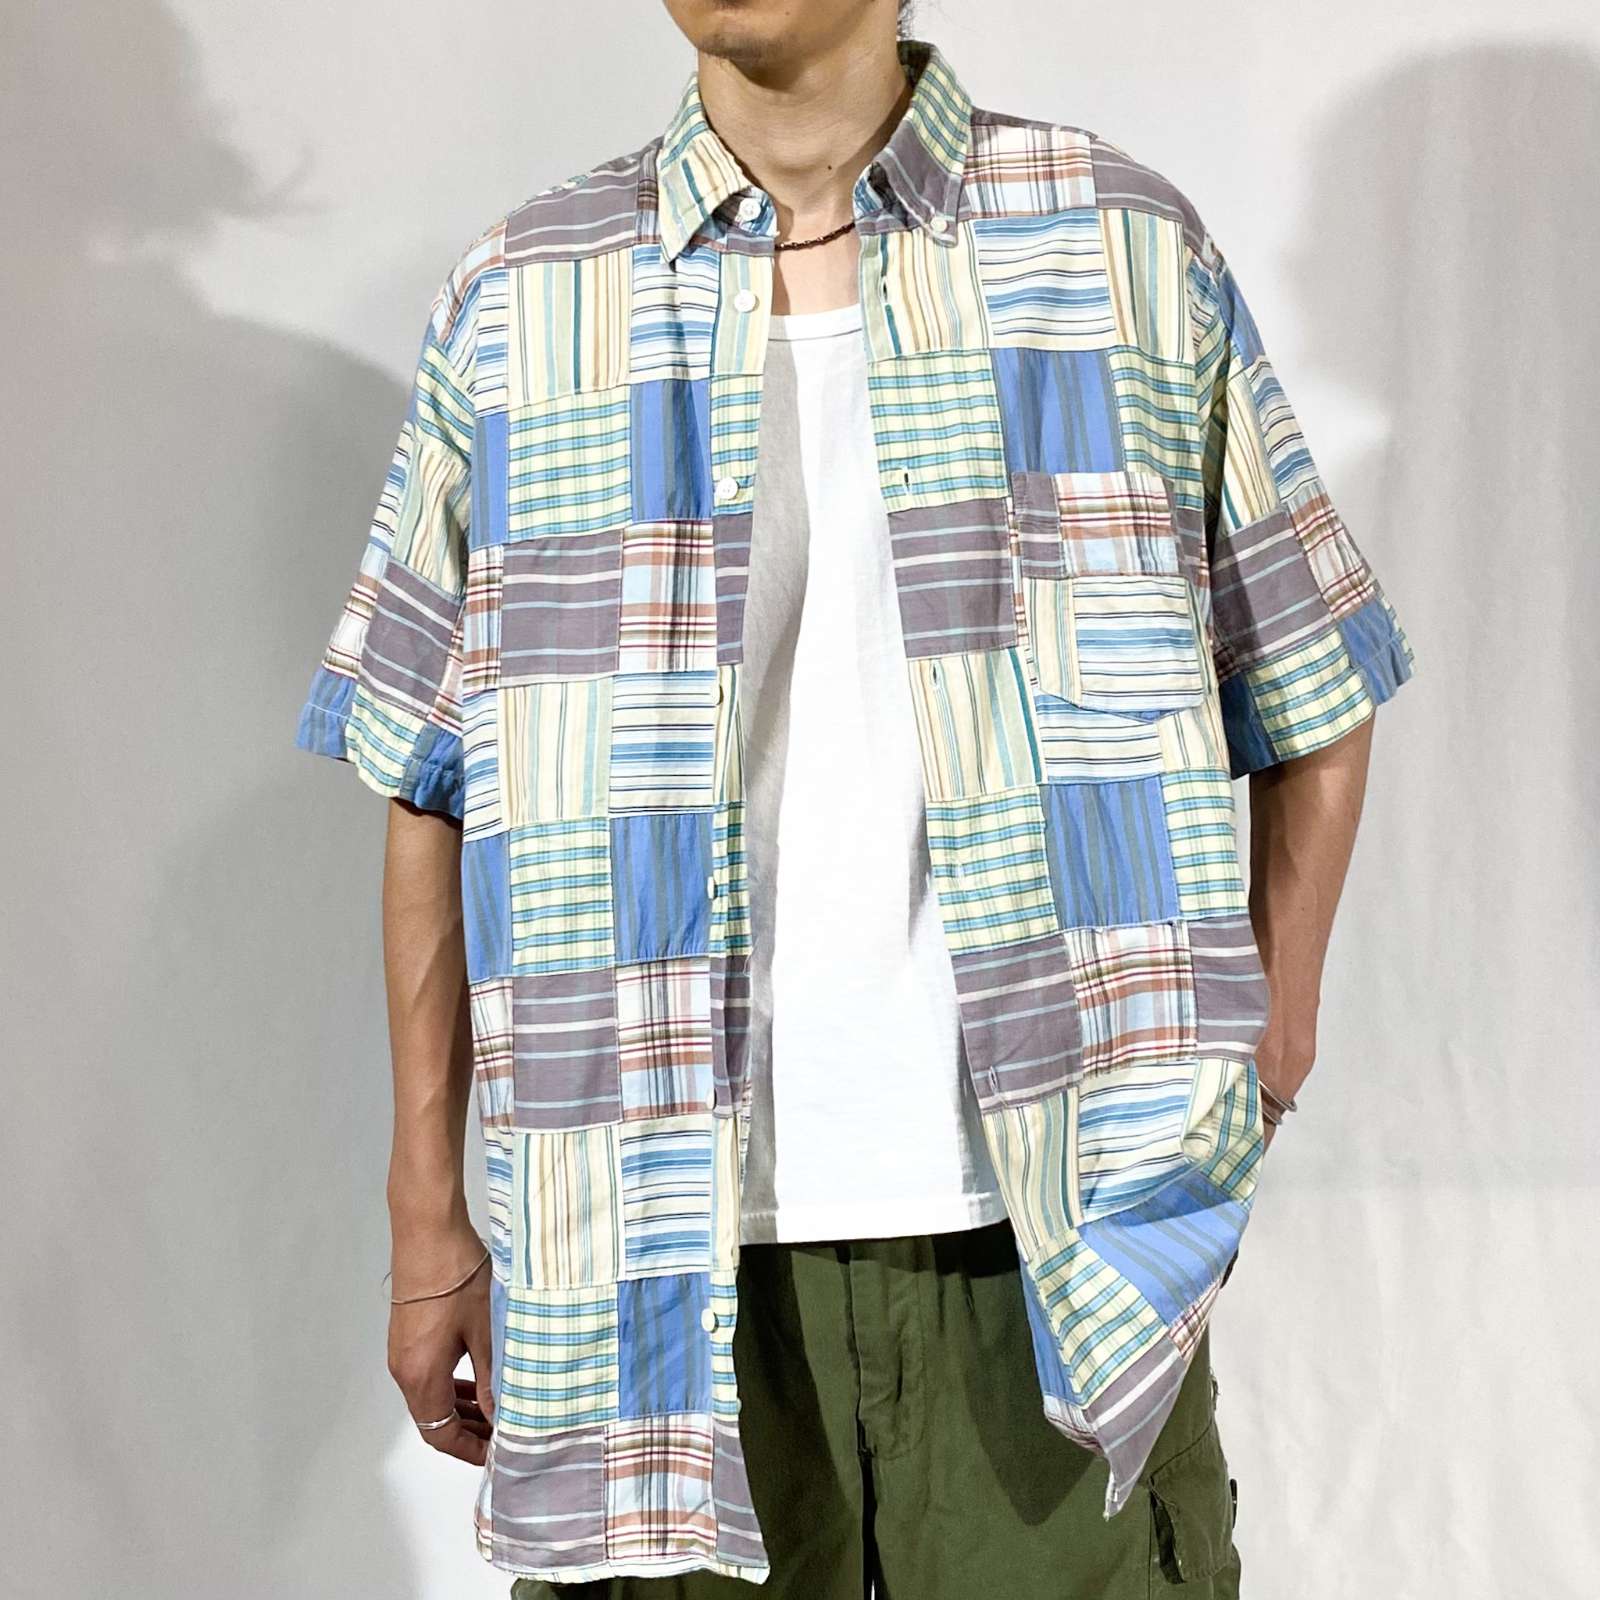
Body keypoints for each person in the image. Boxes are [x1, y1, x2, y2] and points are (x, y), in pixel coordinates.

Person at [292, 2, 1417, 1595]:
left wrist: (1267, 1048)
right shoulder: (526, 298)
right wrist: (428, 1212)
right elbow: (427, 768)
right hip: (637, 1265)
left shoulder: (1117, 251)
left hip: (1050, 1252)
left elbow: (1312, 675)